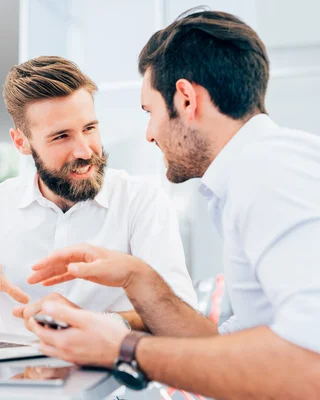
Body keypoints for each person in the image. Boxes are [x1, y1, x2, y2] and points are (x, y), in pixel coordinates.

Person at [24, 9, 320, 398]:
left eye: (150, 112)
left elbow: (309, 365)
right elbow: (217, 346)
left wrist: (123, 349)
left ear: (185, 99)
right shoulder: (253, 173)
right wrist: (136, 277)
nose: (149, 135)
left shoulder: (270, 172)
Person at [0, 56, 197, 335]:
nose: (85, 151)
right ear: (21, 142)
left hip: (114, 374)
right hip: (17, 376)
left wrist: (96, 322)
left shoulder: (141, 202)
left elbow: (180, 315)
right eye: (61, 136)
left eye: (89, 128)